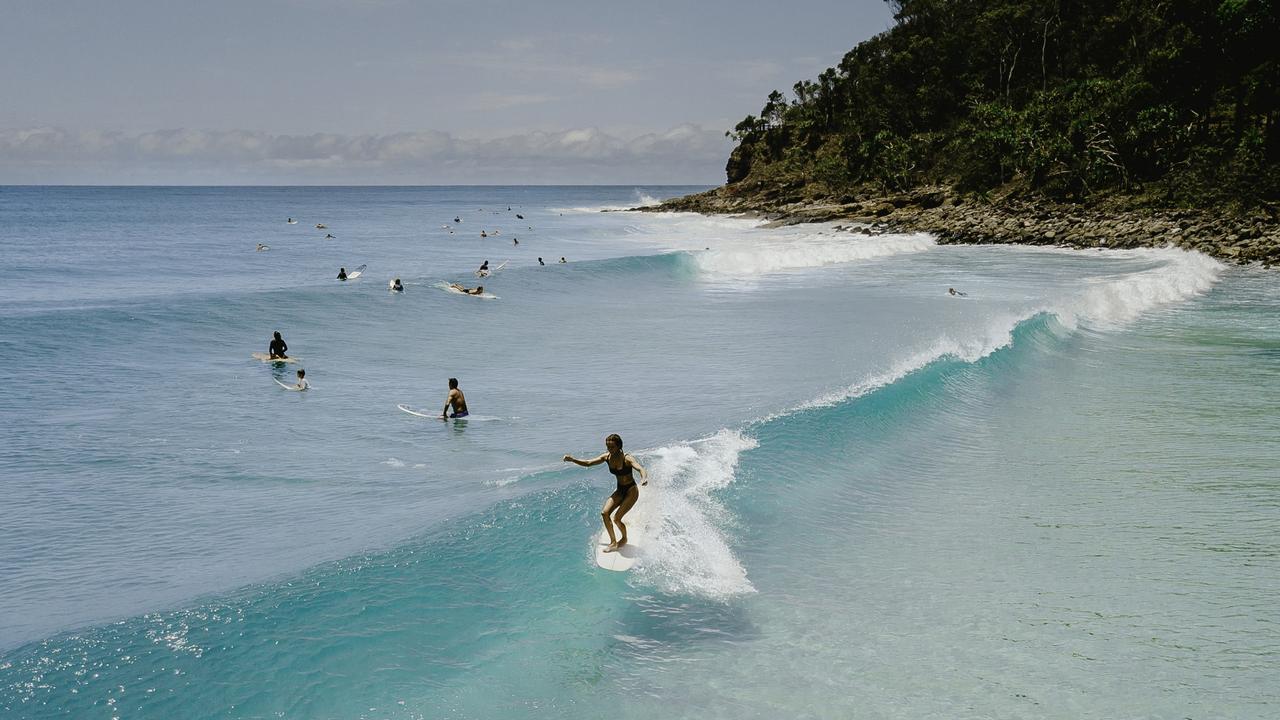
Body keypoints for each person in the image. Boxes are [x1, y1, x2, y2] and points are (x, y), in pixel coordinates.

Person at [563, 434, 648, 553]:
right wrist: (573, 459)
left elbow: (640, 468)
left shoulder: (627, 458)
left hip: (631, 491)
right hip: (620, 490)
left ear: (619, 446)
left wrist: (644, 478)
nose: (609, 449)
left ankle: (624, 538)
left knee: (617, 518)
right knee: (605, 513)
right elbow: (588, 463)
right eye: (607, 446)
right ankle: (613, 542)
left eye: (612, 447)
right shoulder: (607, 457)